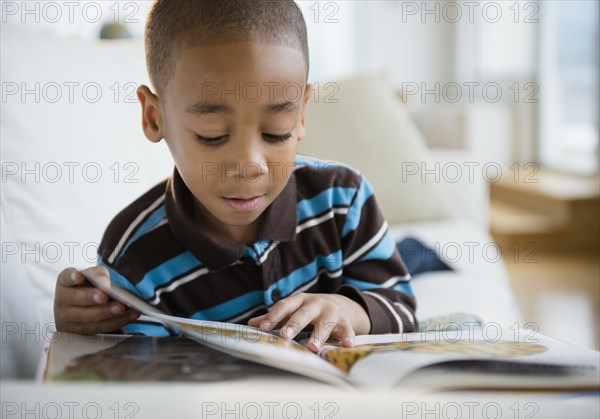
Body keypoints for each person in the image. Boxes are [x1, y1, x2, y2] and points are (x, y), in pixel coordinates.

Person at [53, 0, 417, 353]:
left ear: (302, 114)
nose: (250, 165)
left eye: (276, 132)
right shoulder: (134, 260)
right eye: (212, 135)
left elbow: (403, 312)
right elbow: (137, 371)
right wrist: (86, 323)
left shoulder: (343, 199)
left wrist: (347, 311)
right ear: (153, 118)